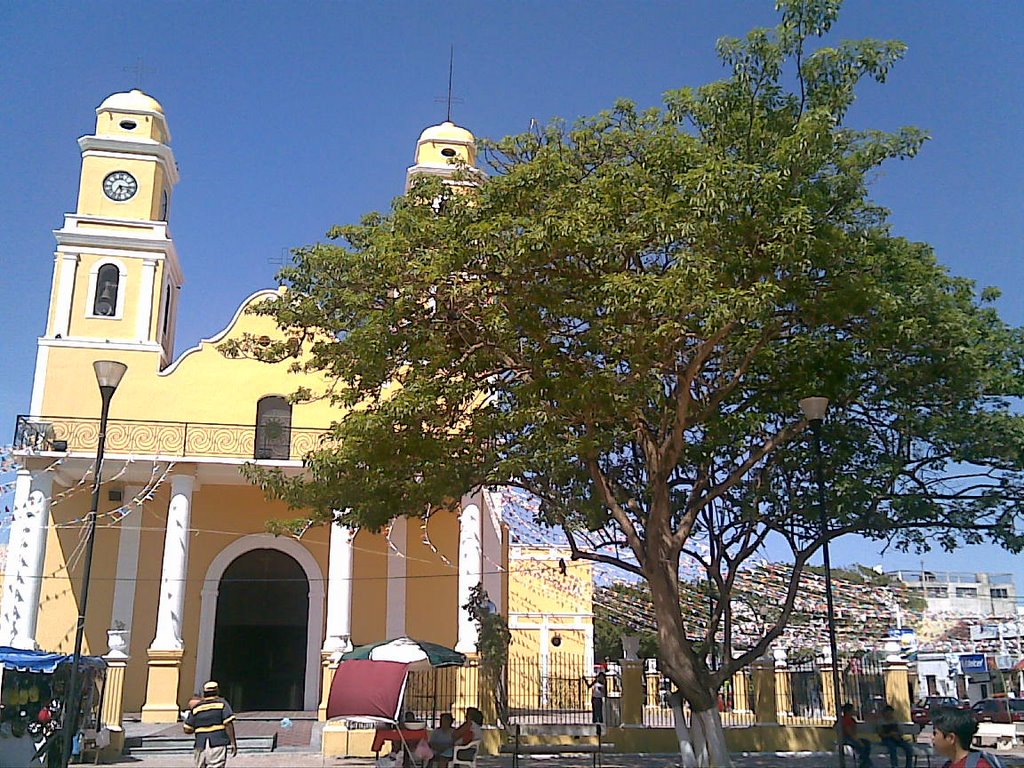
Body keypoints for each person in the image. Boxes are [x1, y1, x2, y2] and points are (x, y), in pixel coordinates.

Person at [183, 681, 238, 768]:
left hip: (200, 744)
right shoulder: (222, 704)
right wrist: (233, 742)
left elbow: (187, 729)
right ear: (217, 691)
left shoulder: (197, 707)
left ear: (204, 693)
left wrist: (199, 728)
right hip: (217, 742)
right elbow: (228, 724)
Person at [932, 707, 1004, 768]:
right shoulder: (949, 765)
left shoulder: (980, 766)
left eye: (935, 733)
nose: (932, 738)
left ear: (951, 738)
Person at [839, 702, 873, 768]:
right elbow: (850, 733)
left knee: (867, 743)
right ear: (849, 711)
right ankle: (865, 762)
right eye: (853, 710)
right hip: (846, 739)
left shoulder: (852, 720)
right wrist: (858, 741)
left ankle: (864, 760)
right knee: (861, 745)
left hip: (852, 737)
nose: (854, 711)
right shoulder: (845, 720)